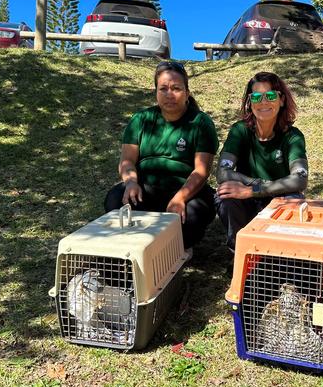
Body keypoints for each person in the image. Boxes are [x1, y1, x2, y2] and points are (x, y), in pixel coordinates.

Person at [104, 61, 219, 251]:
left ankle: (175, 250)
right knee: (115, 200)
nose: (169, 94)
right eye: (163, 89)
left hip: (186, 190)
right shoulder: (141, 119)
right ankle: (136, 248)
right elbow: (127, 161)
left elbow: (202, 170)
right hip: (146, 188)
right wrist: (131, 182)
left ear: (187, 93)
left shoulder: (200, 122)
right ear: (156, 92)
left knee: (194, 215)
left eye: (176, 88)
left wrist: (180, 198)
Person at [215, 72, 308, 251]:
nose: (264, 101)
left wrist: (254, 190)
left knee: (294, 199)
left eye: (271, 95)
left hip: (279, 199)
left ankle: (281, 254)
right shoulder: (239, 131)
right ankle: (240, 251)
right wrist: (257, 186)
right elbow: (222, 173)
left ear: (281, 100)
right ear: (250, 102)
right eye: (256, 96)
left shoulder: (292, 137)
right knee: (224, 195)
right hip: (248, 200)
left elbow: (300, 179)